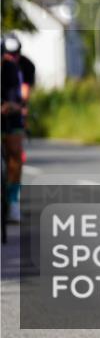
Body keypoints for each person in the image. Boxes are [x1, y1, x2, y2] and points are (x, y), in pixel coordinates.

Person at [1, 34, 28, 222]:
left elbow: (19, 97)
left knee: (15, 151)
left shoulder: (11, 69)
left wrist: (11, 106)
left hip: (10, 115)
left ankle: (12, 201)